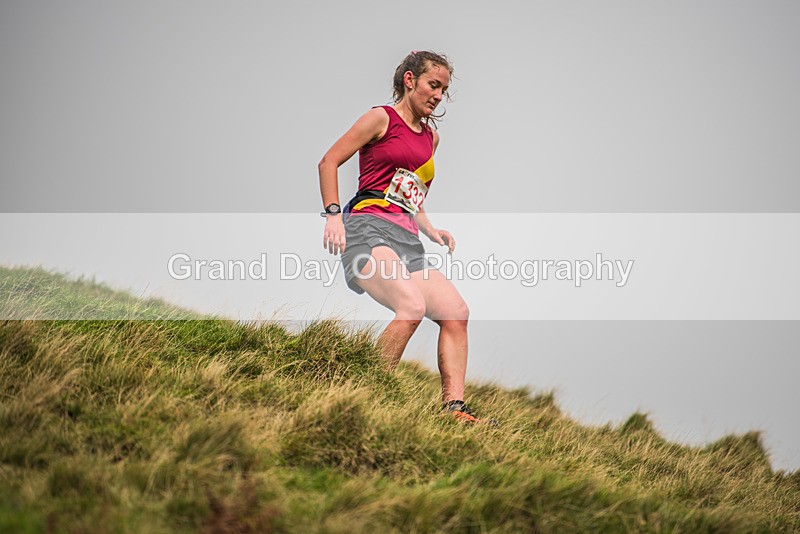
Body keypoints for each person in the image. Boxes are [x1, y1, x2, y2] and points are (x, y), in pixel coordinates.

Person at [318, 50, 488, 424]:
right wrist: (332, 216)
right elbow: (328, 161)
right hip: (366, 229)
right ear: (410, 80)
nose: (438, 95)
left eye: (443, 89)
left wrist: (431, 228)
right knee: (410, 307)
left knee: (456, 313)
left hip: (407, 239)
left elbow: (412, 197)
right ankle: (366, 395)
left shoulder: (431, 139)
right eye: (433, 85)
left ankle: (454, 408)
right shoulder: (380, 118)